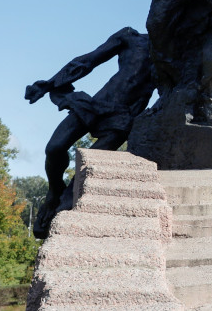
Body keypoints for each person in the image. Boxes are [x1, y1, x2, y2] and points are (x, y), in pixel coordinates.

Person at [25, 27, 156, 238]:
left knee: (81, 178)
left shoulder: (172, 53)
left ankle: (59, 220)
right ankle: (54, 189)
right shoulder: (131, 38)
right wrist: (49, 84)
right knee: (54, 147)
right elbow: (87, 61)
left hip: (122, 118)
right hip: (96, 103)